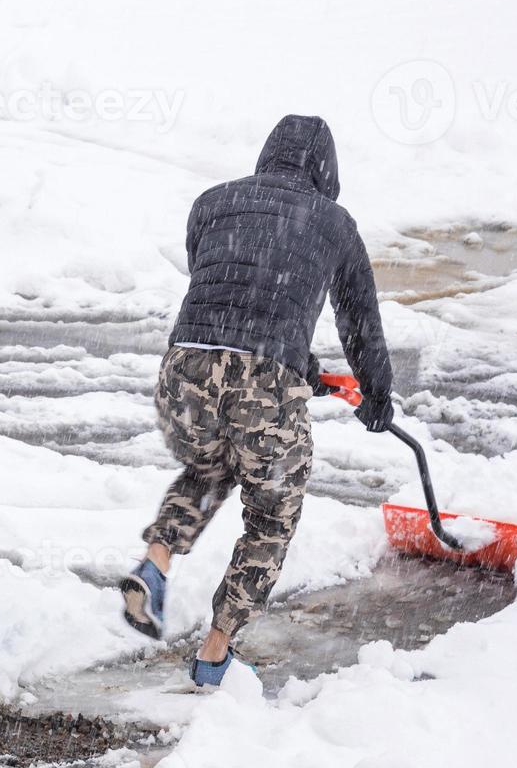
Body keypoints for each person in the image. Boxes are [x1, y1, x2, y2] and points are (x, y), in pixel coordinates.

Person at [120, 114, 394, 688]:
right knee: (270, 516)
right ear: (327, 170)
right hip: (265, 377)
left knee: (211, 465)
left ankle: (158, 560)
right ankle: (215, 652)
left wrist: (301, 366)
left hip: (184, 366)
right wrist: (377, 394)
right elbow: (360, 323)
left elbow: (226, 295)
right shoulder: (334, 222)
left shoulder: (212, 202)